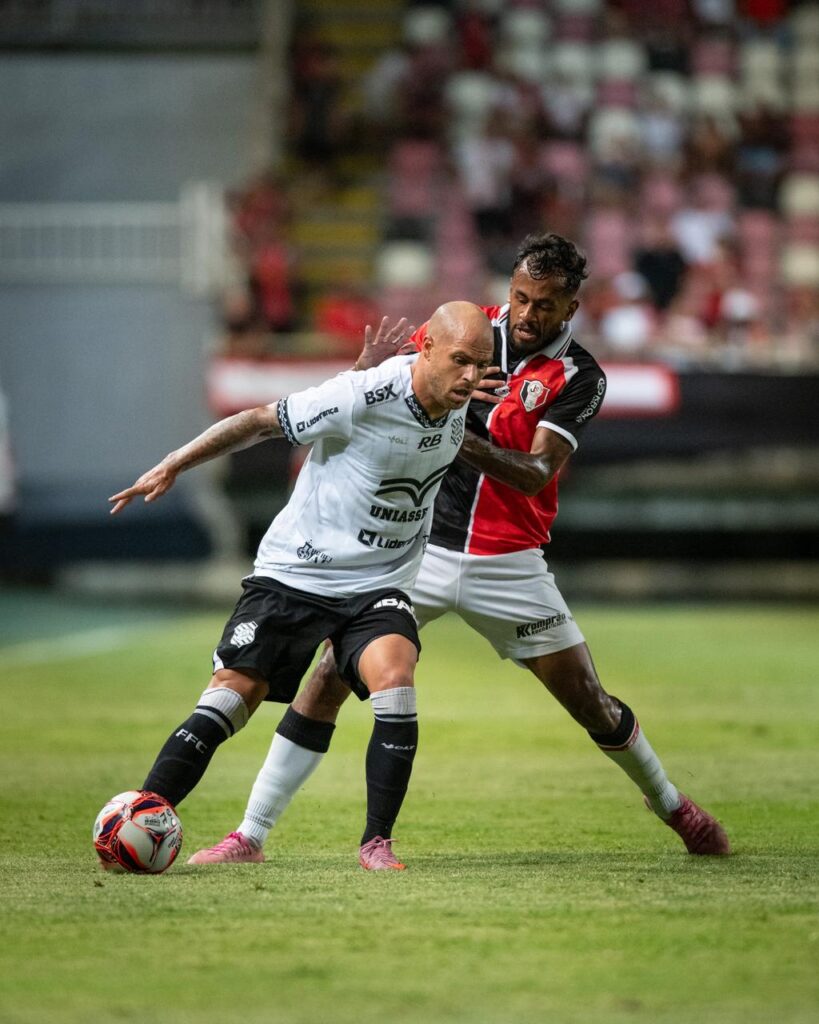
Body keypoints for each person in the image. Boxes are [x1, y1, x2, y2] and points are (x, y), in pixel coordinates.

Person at [189, 233, 730, 871]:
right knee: (328, 678)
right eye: (521, 298)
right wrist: (381, 383)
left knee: (589, 699)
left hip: (510, 560)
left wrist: (450, 424)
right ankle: (248, 835)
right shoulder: (465, 336)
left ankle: (671, 804)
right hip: (419, 553)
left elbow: (533, 473)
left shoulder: (580, 377)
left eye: (546, 306)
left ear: (571, 310)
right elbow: (386, 398)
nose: (528, 315)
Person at [107, 302, 495, 868]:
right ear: (426, 347)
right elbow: (257, 421)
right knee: (233, 695)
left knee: (395, 676)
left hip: (377, 584)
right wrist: (173, 463)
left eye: (480, 366)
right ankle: (142, 817)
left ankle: (376, 843)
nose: (470, 376)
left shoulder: (461, 397)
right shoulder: (364, 395)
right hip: (297, 572)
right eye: (461, 360)